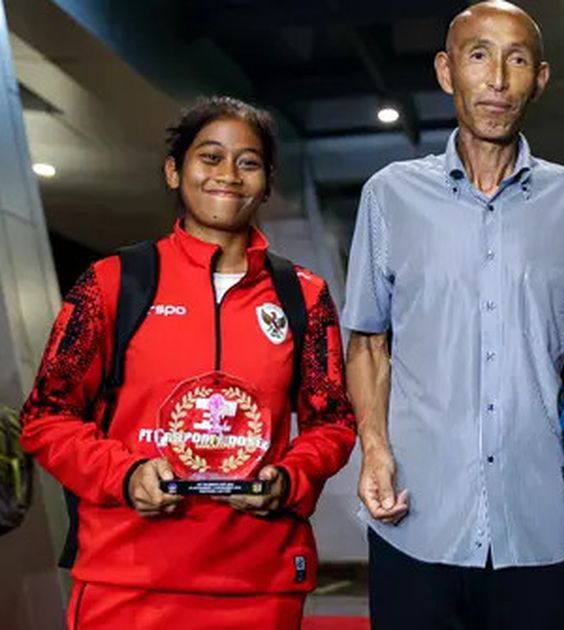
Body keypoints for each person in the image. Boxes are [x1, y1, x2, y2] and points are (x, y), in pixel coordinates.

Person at [342, 2, 564, 628]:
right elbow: (367, 344)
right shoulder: (389, 195)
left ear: (541, 79)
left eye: (517, 59)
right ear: (447, 72)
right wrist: (373, 450)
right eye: (479, 55)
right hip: (414, 518)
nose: (498, 78)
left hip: (543, 521)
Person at [20, 96, 357, 629]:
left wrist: (290, 478)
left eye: (248, 163)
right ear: (175, 171)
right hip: (128, 584)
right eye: (211, 157)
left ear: (266, 182)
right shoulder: (112, 284)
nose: (228, 175)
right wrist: (125, 474)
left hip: (259, 584)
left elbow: (333, 422)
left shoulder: (304, 296)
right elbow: (46, 415)